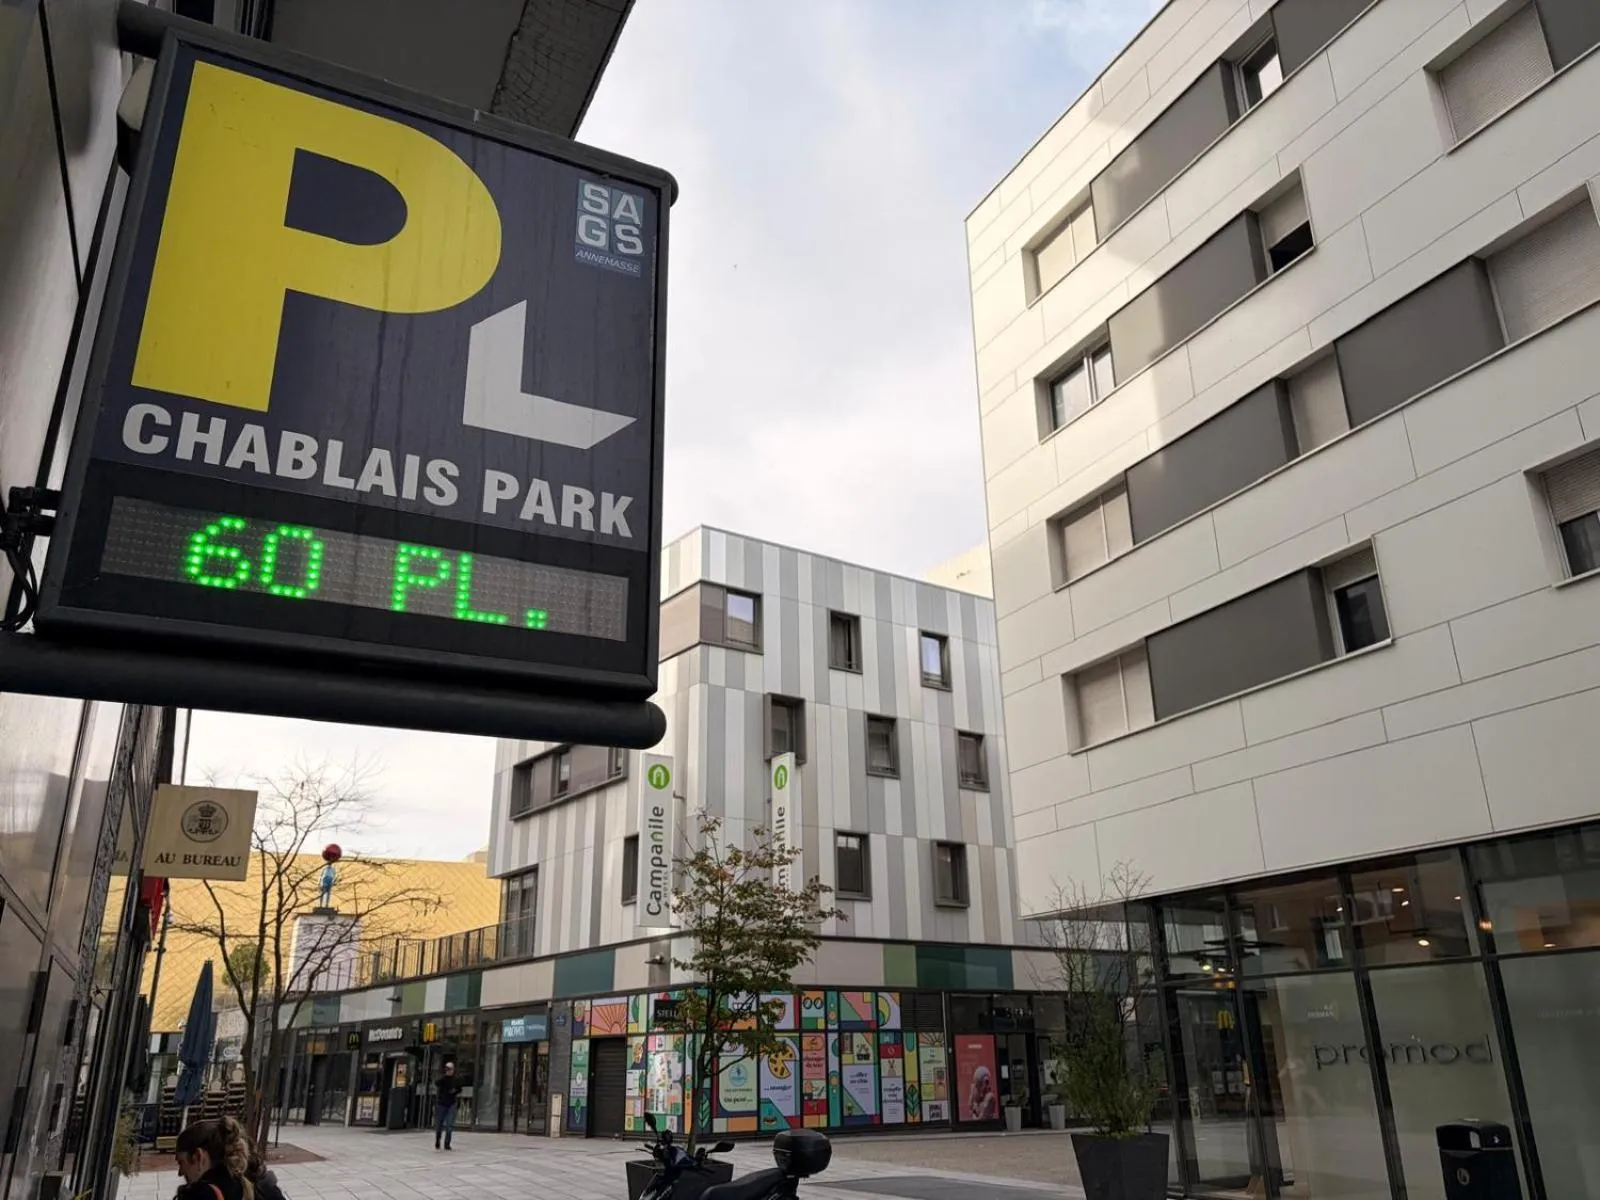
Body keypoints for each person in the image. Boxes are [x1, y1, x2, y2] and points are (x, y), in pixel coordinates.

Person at [173, 1117, 254, 1200]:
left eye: (181, 1162)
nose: (180, 1172)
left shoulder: (198, 1195)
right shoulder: (241, 1186)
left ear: (198, 1156)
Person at [433, 1061, 462, 1151]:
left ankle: (447, 1144)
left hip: (451, 1104)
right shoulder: (442, 1078)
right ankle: (438, 1140)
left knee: (449, 1125)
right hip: (441, 1103)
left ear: (453, 1069)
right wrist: (445, 1075)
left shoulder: (456, 1079)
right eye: (448, 1068)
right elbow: (436, 1083)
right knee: (439, 1124)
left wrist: (454, 1091)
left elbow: (459, 1089)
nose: (449, 1070)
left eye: (451, 1068)